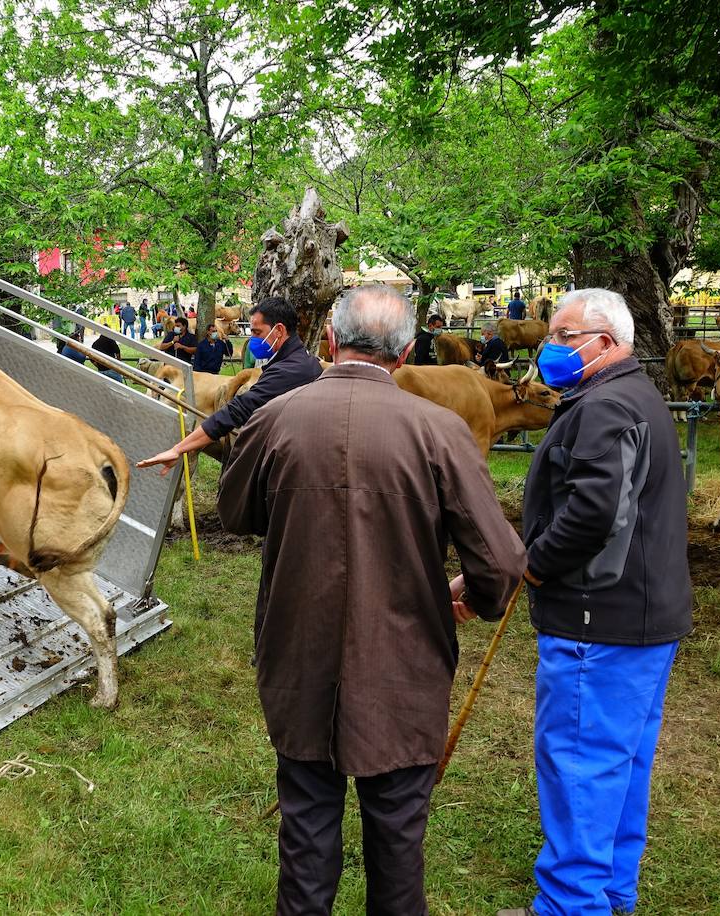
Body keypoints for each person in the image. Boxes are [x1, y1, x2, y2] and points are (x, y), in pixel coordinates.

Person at [219, 286, 526, 915]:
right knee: (397, 845)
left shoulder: (275, 418)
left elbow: (236, 510)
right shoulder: (440, 432)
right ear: (408, 351)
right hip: (404, 667)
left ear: (330, 341)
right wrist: (477, 595)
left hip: (297, 657)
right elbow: (499, 563)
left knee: (305, 836)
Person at [498, 289, 693, 916]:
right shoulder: (633, 396)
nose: (548, 347)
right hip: (640, 617)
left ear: (603, 344)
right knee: (619, 766)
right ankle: (610, 895)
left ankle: (570, 906)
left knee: (581, 767)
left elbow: (594, 512)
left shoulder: (606, 406)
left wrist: (533, 563)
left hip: (598, 621)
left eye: (562, 335)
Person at [137, 297, 322, 473]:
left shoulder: (288, 371)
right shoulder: (306, 363)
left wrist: (179, 448)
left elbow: (236, 411)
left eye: (257, 333)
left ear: (279, 330)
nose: (253, 340)